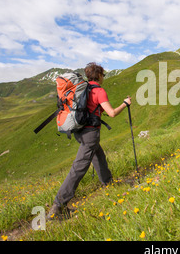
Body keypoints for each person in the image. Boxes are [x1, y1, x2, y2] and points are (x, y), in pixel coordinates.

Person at [46, 62, 131, 220]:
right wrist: (125, 104)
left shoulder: (84, 88)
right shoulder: (98, 91)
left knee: (98, 156)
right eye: (103, 75)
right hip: (90, 134)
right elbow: (111, 113)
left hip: (80, 132)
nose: (103, 78)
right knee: (79, 167)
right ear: (99, 75)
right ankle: (58, 206)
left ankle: (109, 183)